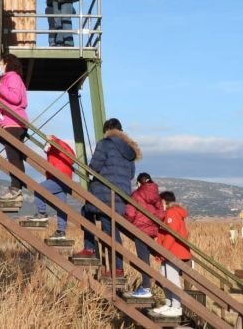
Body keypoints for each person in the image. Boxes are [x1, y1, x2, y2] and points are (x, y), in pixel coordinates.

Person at [75, 118, 141, 278]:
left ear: (107, 130)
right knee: (110, 228)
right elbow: (131, 174)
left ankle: (100, 256)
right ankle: (113, 265)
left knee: (90, 215)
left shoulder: (105, 144)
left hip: (104, 194)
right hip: (121, 196)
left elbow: (94, 167)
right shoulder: (129, 150)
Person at [0, 53, 28, 200]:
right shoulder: (10, 78)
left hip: (13, 122)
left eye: (1, 63)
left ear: (7, 64)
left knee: (13, 157)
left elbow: (15, 98)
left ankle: (16, 188)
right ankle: (16, 188)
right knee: (15, 157)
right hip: (13, 122)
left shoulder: (12, 77)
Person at [151, 191, 191, 317]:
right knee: (165, 277)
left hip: (174, 251)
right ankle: (169, 304)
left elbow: (171, 234)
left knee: (172, 279)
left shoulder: (171, 213)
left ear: (164, 201)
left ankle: (176, 306)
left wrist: (163, 251)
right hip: (171, 251)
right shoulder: (172, 213)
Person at [124, 173, 165, 298]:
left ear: (138, 183)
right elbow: (162, 213)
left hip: (140, 230)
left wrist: (124, 220)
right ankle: (150, 286)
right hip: (151, 231)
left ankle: (146, 287)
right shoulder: (157, 196)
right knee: (147, 257)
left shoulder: (136, 195)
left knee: (143, 258)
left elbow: (130, 214)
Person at [28, 135, 76, 240]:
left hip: (59, 177)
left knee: (39, 188)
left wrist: (51, 139)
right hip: (65, 179)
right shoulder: (60, 150)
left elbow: (57, 145)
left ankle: (41, 213)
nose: (46, 148)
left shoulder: (56, 145)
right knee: (61, 206)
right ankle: (61, 231)